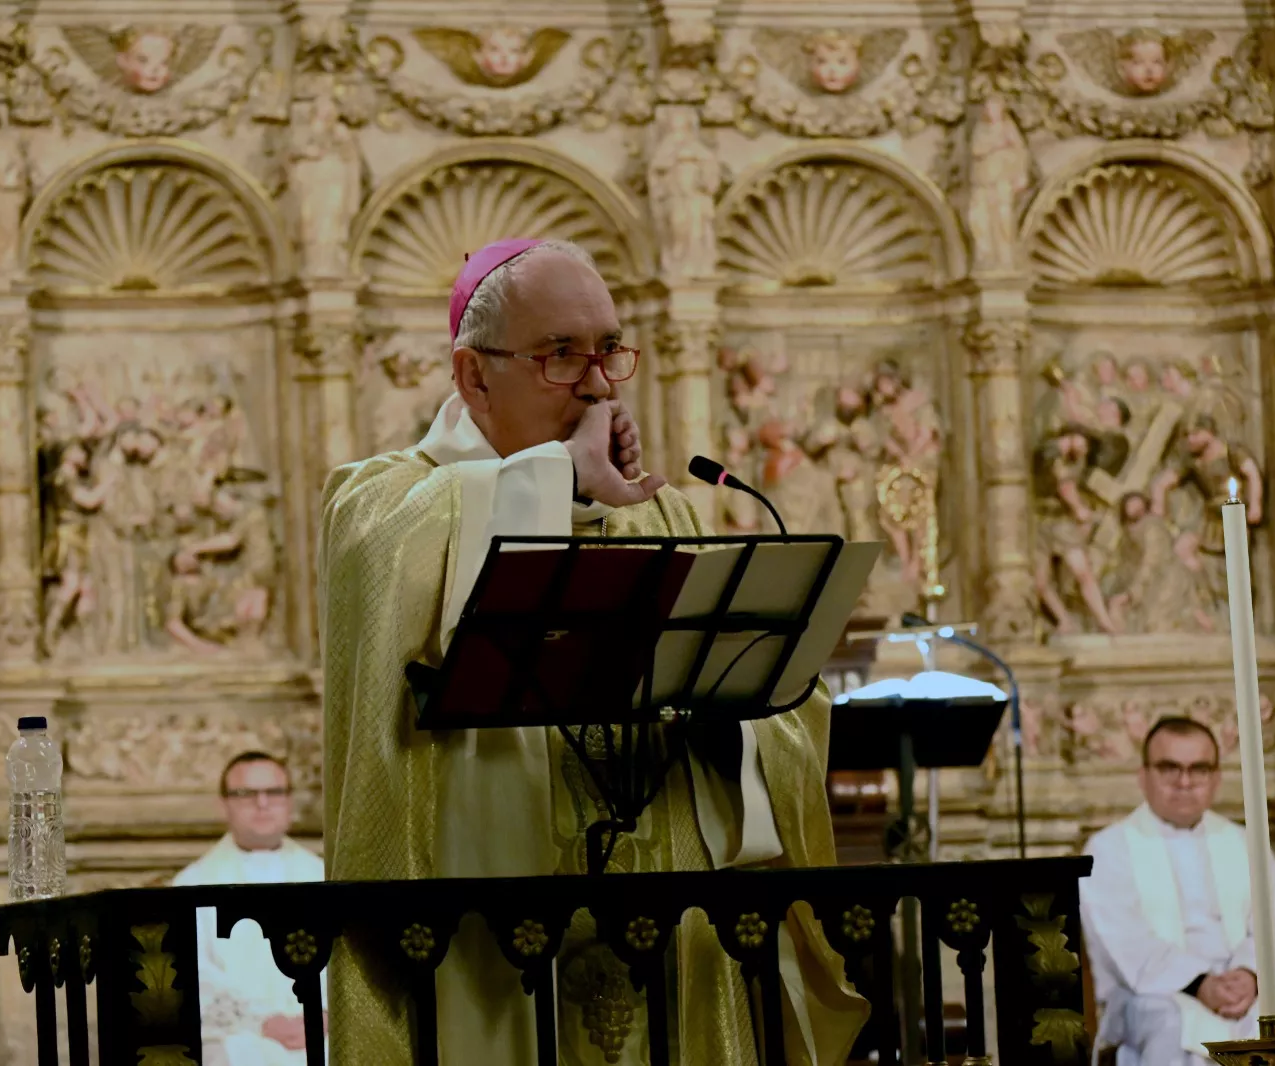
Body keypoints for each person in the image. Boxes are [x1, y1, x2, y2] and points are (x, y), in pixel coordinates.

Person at [318, 238, 867, 1065]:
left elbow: (783, 703)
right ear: (473, 376)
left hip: (674, 942)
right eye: (560, 357)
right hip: (488, 954)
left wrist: (734, 729)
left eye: (609, 349)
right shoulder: (383, 502)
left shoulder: (669, 520)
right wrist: (554, 483)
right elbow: (393, 598)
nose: (600, 382)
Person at [1082, 718, 1275, 1066]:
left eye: (1198, 769)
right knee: (1171, 1026)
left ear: (1216, 778)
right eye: (1169, 768)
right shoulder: (1108, 849)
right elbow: (1123, 940)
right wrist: (1200, 983)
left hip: (1245, 988)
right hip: (1157, 993)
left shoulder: (1244, 843)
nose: (1184, 782)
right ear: (1143, 776)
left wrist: (1249, 974)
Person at [172, 752, 325, 1066]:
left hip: (322, 1030)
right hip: (238, 1038)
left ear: (290, 803)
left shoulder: (324, 877)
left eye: (275, 792)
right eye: (246, 794)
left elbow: (346, 962)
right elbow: (190, 974)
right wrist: (261, 1023)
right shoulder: (191, 885)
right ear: (223, 804)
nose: (263, 803)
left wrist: (323, 1015)